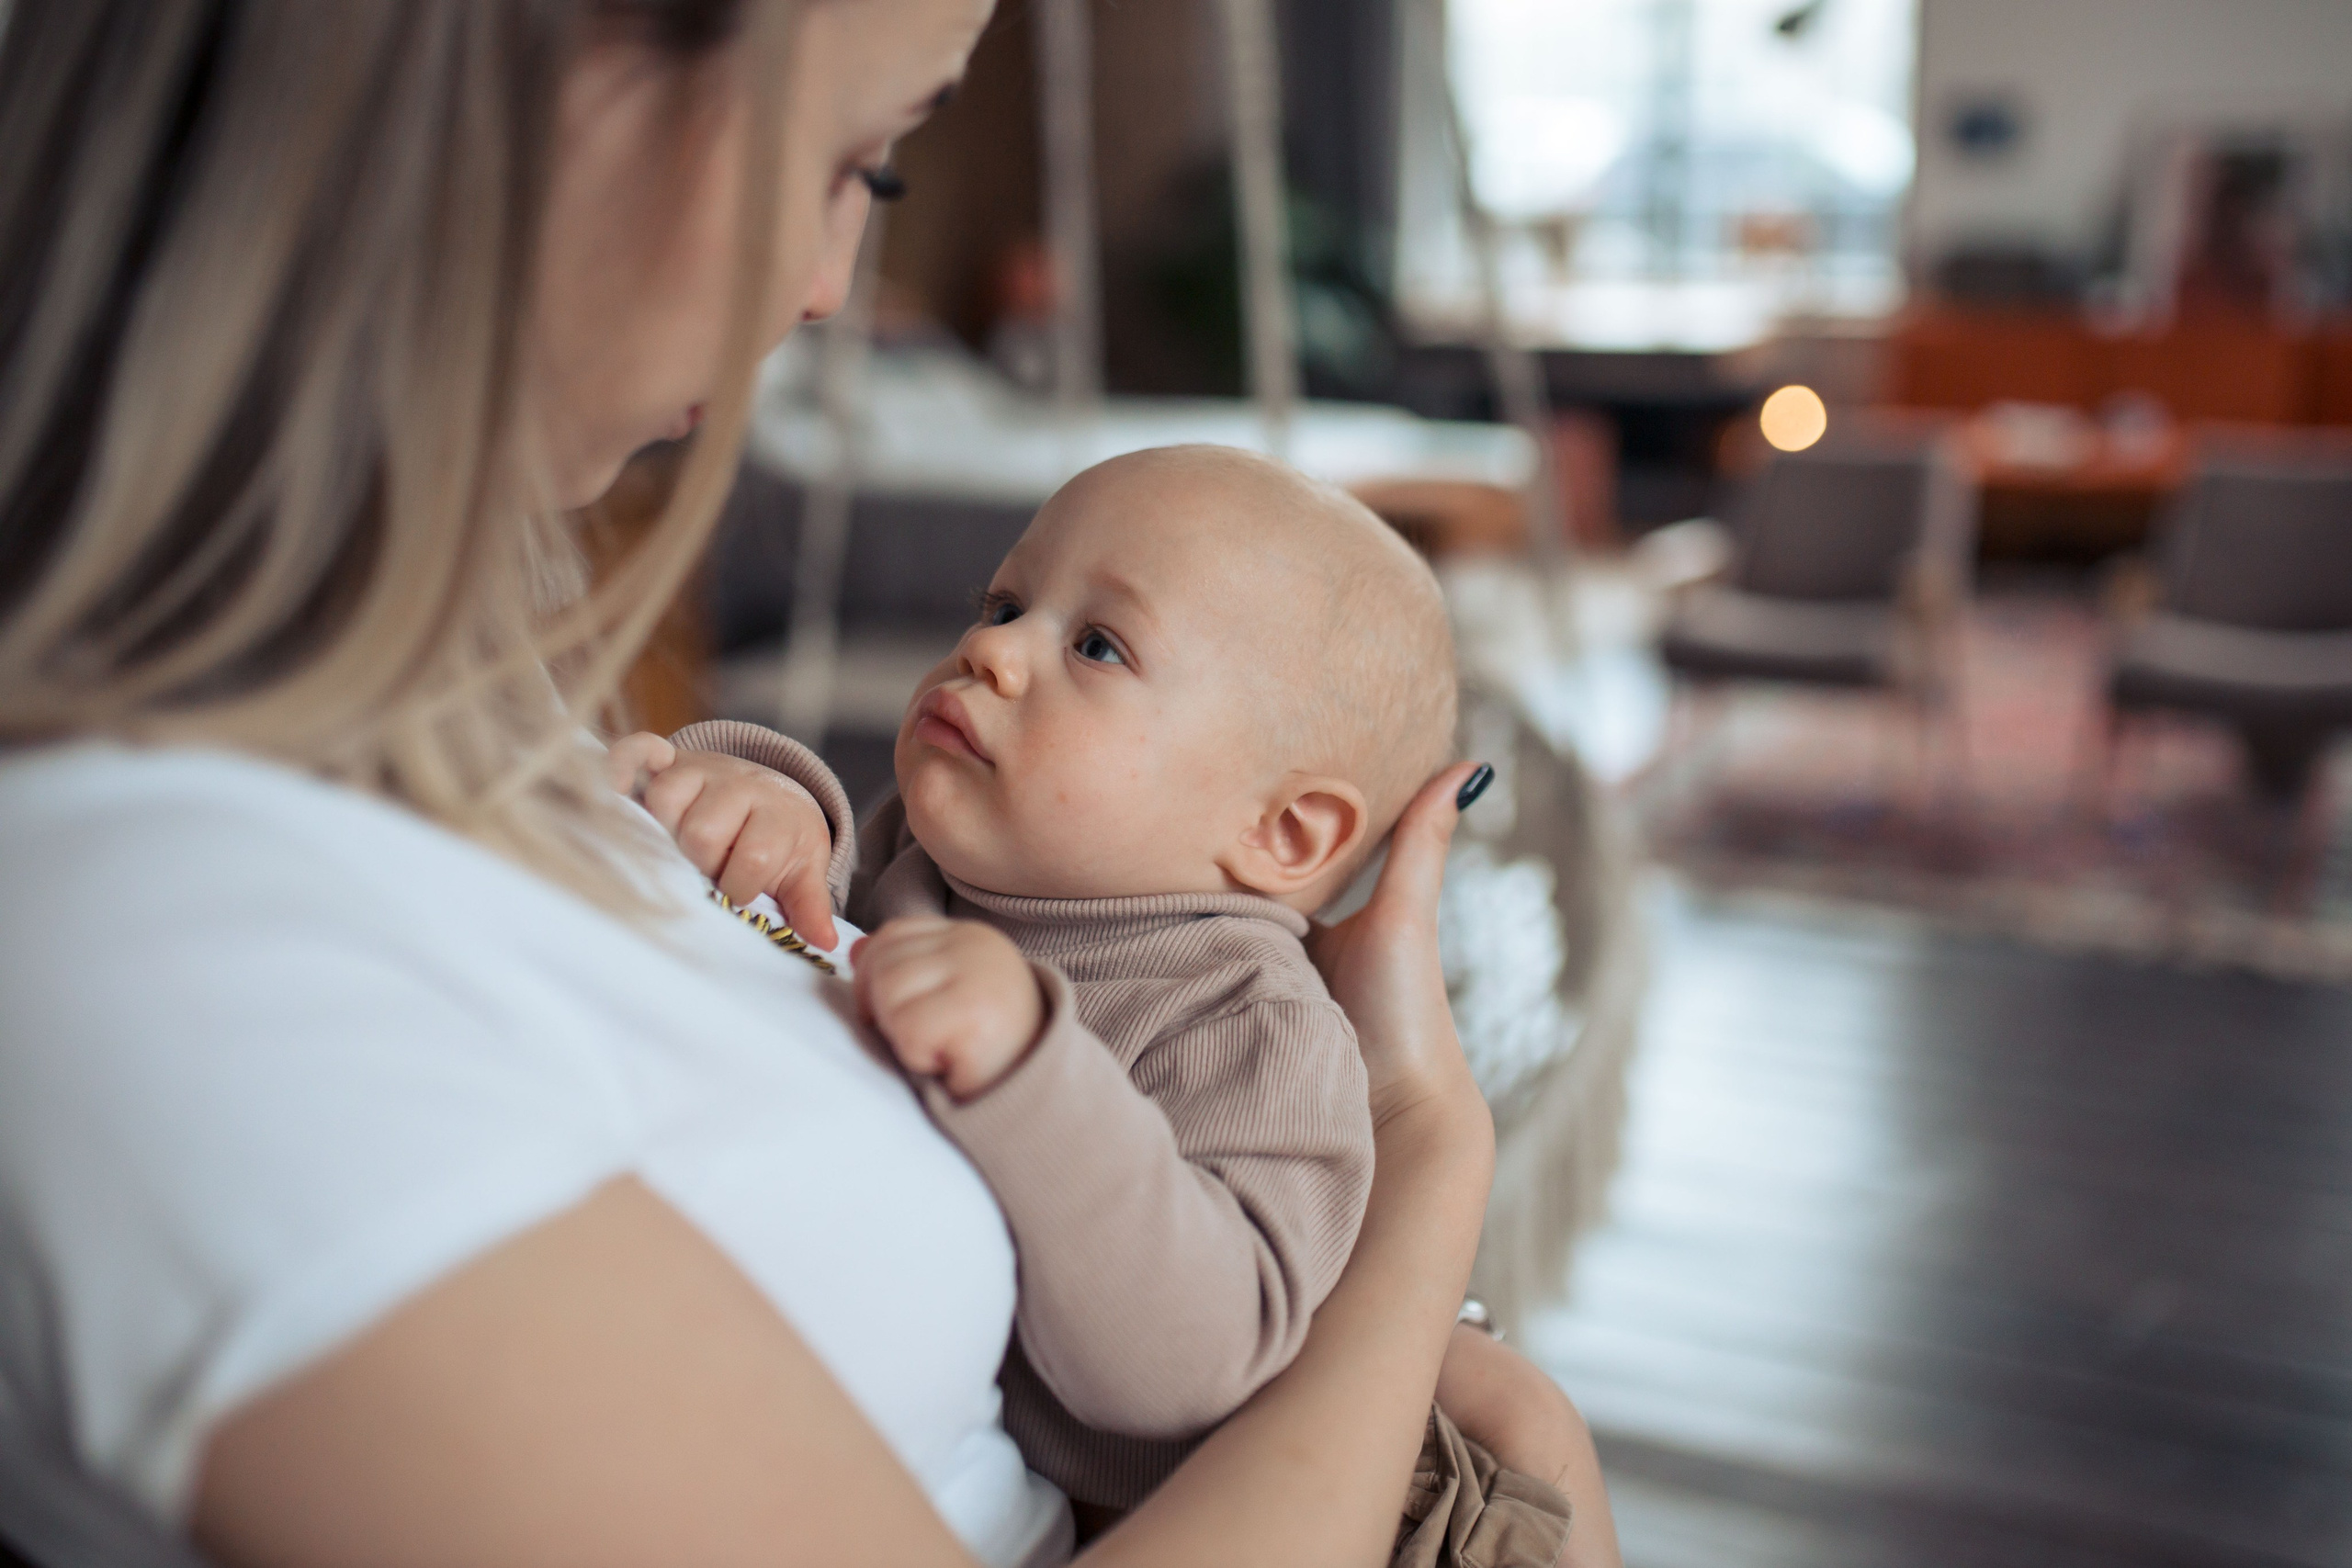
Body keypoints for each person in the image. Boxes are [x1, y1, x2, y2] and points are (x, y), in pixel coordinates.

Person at [0, 4, 1617, 1566]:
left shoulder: (418, 758)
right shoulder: (174, 960)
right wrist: (1425, 1183)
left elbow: (794, 966)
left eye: (1101, 646)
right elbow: (841, 929)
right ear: (527, 93)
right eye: (855, 159)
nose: (835, 285)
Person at [609, 443, 1582, 1565]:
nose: (989, 649)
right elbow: (816, 932)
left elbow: (1184, 1365)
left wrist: (1033, 1070)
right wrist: (761, 803)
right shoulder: (938, 863)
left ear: (1284, 834)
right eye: (1006, 601)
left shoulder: (1255, 1028)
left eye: (1097, 645)